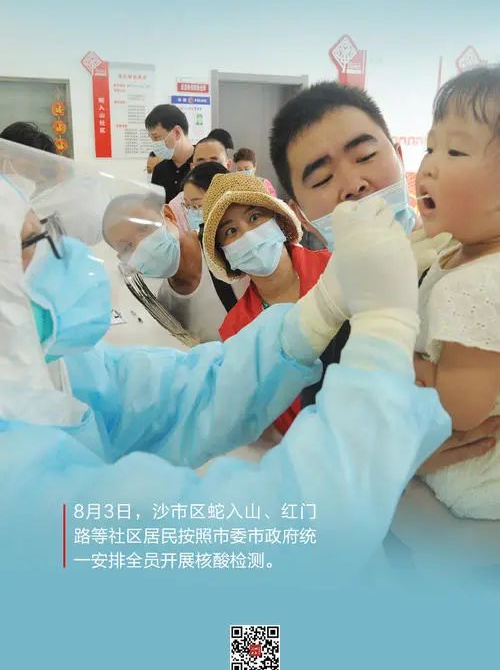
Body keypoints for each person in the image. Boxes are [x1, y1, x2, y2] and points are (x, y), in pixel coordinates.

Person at [0, 171, 451, 578]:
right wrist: (385, 327)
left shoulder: (58, 366)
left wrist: (320, 308)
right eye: (34, 241)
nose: (65, 253)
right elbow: (285, 533)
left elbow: (194, 389)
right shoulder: (24, 494)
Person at [269, 79, 500, 475]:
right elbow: (328, 445)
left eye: (365, 156)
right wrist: (392, 463)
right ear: (301, 215)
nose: (353, 186)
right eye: (322, 179)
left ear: (399, 155)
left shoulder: (472, 261)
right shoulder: (329, 320)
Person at [414, 66, 500, 519]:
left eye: (454, 151)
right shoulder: (454, 255)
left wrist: (394, 354)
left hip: (473, 494)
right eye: (430, 147)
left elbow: (460, 412)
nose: (428, 165)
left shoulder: (474, 285)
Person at [203, 172, 330, 434]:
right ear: (226, 256)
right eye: (231, 231)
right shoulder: (236, 330)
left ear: (278, 221)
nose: (248, 235)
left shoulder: (334, 269)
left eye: (254, 217)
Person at [103, 165, 247, 342]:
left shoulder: (229, 255)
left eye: (144, 228)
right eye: (127, 247)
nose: (142, 245)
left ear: (169, 215)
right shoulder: (164, 302)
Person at [169, 137, 231, 234]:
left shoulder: (244, 198)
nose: (207, 169)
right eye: (200, 164)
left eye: (214, 162)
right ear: (192, 168)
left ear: (228, 165)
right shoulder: (177, 206)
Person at [145, 104, 194, 203]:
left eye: (156, 137)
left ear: (177, 133)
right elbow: (154, 207)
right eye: (152, 139)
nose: (155, 144)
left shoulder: (203, 162)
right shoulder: (159, 169)